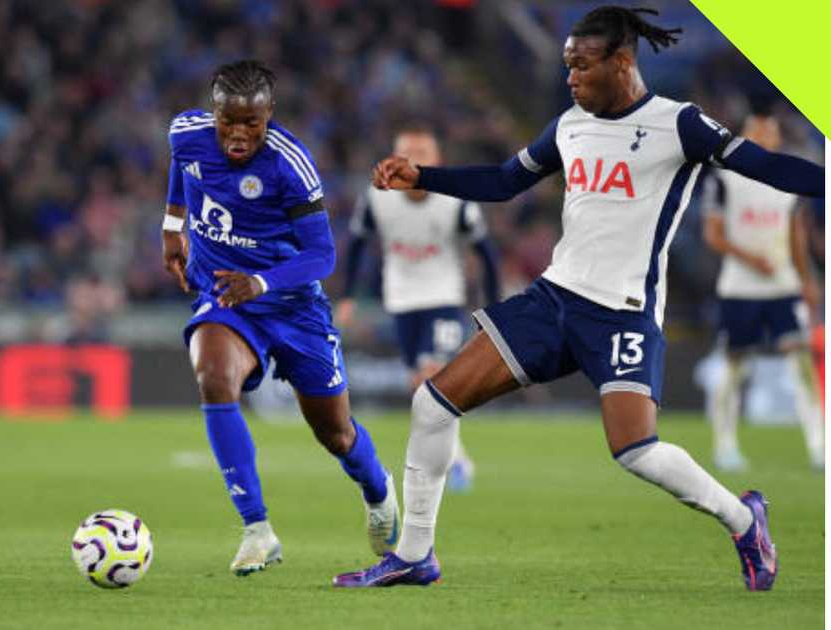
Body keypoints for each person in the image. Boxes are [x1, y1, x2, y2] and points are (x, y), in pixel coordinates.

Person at [332, 6, 824, 591]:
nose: (571, 79)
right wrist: (424, 178)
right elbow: (501, 181)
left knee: (636, 450)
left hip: (622, 312)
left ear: (622, 62)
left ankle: (745, 520)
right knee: (432, 405)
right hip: (553, 300)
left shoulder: (680, 125)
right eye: (568, 67)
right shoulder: (569, 125)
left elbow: (767, 166)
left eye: (582, 67)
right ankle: (415, 555)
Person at [161, 60, 398, 576]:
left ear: (270, 114)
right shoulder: (187, 133)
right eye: (230, 121)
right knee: (213, 377)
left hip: (292, 305)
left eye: (253, 122)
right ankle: (256, 528)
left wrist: (263, 282)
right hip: (225, 295)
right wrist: (171, 228)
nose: (240, 134)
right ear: (214, 111)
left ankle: (378, 490)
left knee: (335, 434)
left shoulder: (291, 164)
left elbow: (322, 256)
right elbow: (182, 169)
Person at [336, 123, 501, 492]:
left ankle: (450, 464)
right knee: (421, 386)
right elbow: (359, 244)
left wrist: (493, 309)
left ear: (438, 160)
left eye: (422, 154)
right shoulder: (377, 198)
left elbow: (487, 255)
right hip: (402, 300)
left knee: (433, 377)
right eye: (405, 153)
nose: (412, 161)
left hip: (444, 298)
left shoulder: (457, 201)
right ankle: (458, 456)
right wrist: (347, 296)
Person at [701, 113, 824, 472]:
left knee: (801, 363)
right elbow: (713, 234)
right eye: (759, 131)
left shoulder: (786, 182)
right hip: (740, 288)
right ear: (744, 135)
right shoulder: (724, 179)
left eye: (771, 131)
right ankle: (725, 446)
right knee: (737, 366)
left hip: (783, 287)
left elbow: (796, 235)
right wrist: (752, 259)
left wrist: (807, 279)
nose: (767, 137)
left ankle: (818, 446)